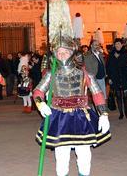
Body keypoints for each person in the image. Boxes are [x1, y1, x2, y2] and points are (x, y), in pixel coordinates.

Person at [33, 35, 111, 176]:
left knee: (84, 154)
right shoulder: (51, 74)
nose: (62, 55)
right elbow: (38, 91)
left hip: (81, 115)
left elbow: (97, 93)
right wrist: (40, 103)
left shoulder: (83, 72)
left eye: (65, 51)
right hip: (59, 116)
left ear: (72, 53)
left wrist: (104, 114)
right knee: (61, 155)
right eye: (59, 52)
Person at [106, 38, 127, 119]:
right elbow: (108, 66)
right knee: (118, 95)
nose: (118, 45)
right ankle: (121, 113)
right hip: (115, 77)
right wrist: (109, 77)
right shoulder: (111, 54)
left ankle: (126, 112)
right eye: (116, 44)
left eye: (119, 44)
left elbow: (125, 64)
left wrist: (118, 59)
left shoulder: (125, 53)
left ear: (122, 45)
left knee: (125, 96)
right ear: (114, 45)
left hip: (124, 76)